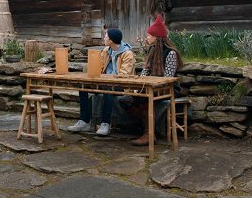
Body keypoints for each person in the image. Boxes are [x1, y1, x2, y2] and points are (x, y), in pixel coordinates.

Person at [124, 14, 183, 146]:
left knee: (144, 98)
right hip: (149, 87)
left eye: (149, 35)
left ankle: (148, 134)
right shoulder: (152, 50)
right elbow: (145, 71)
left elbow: (168, 78)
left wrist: (149, 87)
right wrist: (138, 85)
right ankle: (149, 126)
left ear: (156, 37)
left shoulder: (171, 53)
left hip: (168, 89)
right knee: (125, 99)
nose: (147, 38)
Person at [67, 28, 135, 135]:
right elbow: (99, 68)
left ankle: (105, 123)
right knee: (82, 87)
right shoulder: (106, 51)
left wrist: (107, 79)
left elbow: (124, 75)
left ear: (112, 39)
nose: (104, 38)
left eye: (106, 36)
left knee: (108, 90)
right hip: (104, 82)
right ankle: (84, 121)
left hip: (121, 85)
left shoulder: (127, 54)